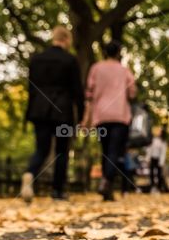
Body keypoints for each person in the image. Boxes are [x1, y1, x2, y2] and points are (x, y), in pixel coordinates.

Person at [21, 25, 84, 202]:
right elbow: (77, 91)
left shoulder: (37, 59)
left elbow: (31, 89)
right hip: (62, 111)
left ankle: (29, 173)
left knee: (41, 149)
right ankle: (57, 191)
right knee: (61, 151)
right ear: (67, 40)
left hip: (39, 110)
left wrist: (28, 113)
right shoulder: (70, 60)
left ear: (53, 38)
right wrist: (80, 116)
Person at [83, 40, 137, 201]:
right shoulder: (124, 70)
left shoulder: (96, 68)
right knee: (114, 151)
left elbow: (89, 93)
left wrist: (87, 117)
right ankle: (107, 181)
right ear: (118, 53)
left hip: (102, 116)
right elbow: (132, 93)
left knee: (106, 150)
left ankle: (107, 187)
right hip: (120, 116)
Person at [146, 127, 167, 193]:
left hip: (159, 159)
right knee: (151, 173)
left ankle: (159, 188)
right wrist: (147, 159)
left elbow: (163, 152)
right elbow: (149, 150)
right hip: (152, 158)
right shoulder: (152, 140)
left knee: (159, 174)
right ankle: (152, 187)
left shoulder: (163, 141)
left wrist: (162, 162)